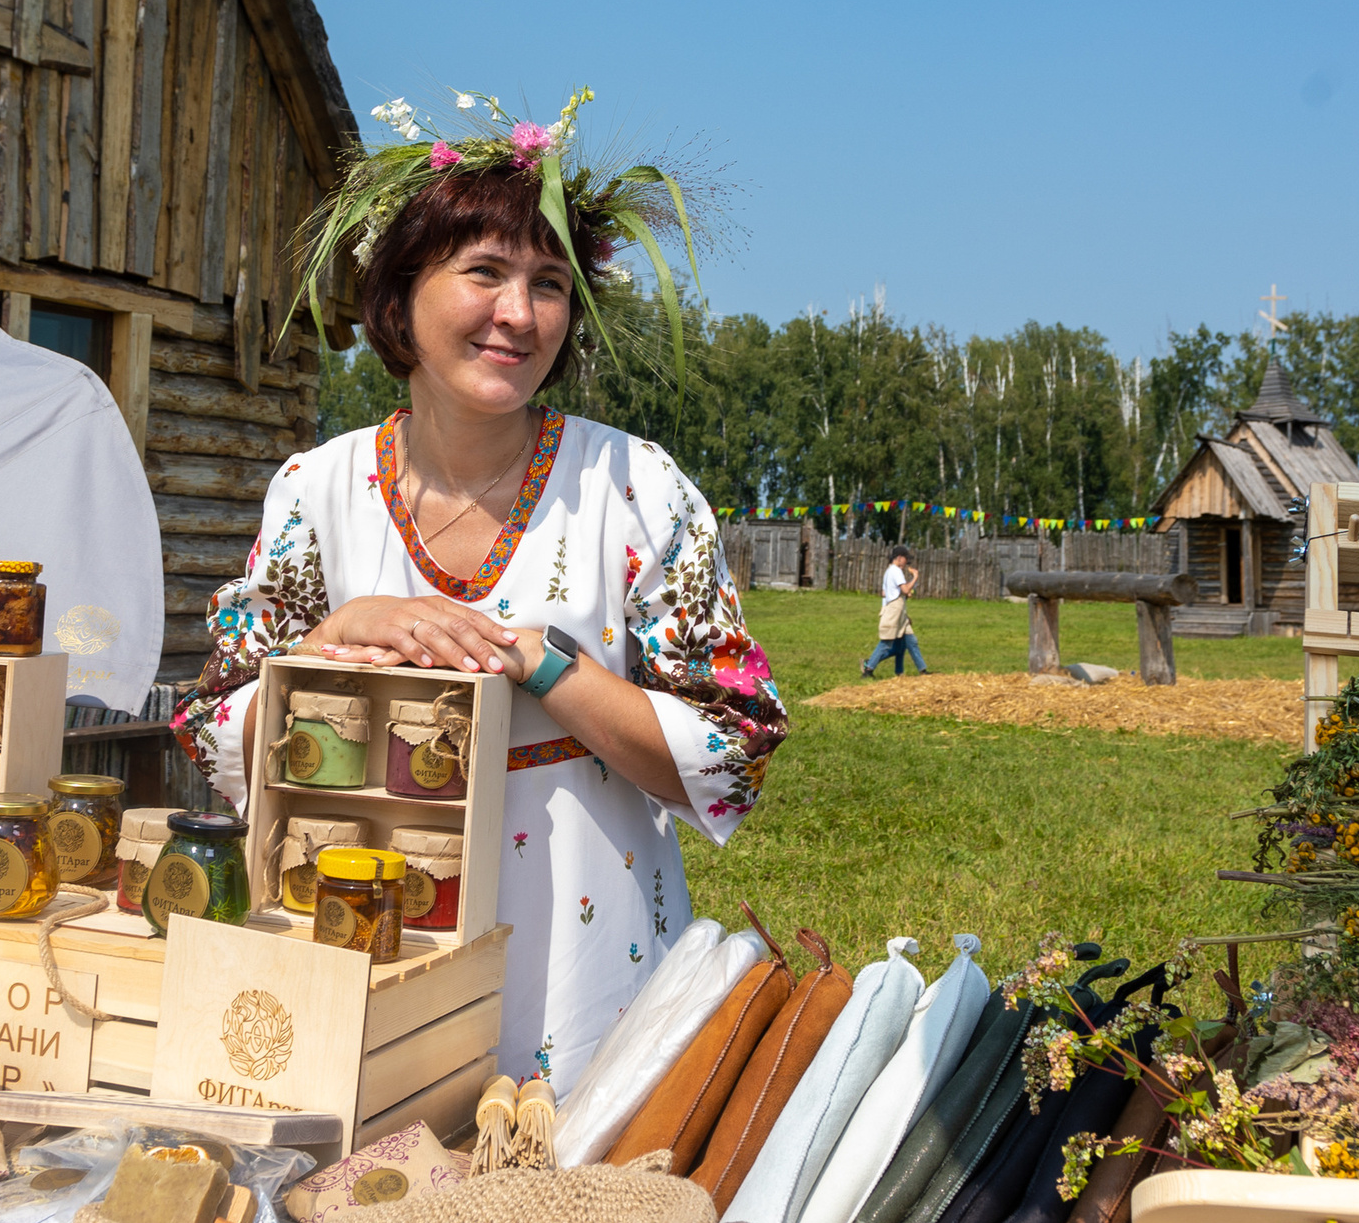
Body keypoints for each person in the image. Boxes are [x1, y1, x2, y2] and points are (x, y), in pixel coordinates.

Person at [172, 92, 787, 1090]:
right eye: (485, 272)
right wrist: (334, 638)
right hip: (361, 950)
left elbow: (734, 750)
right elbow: (214, 725)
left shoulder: (633, 489)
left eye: (549, 284)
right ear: (398, 294)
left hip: (585, 966)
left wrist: (547, 665)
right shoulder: (316, 490)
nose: (518, 314)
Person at [862, 546, 929, 676]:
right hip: (894, 609)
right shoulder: (896, 571)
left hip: (898, 609)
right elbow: (905, 590)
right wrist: (915, 577)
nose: (906, 562)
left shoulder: (889, 571)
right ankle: (868, 669)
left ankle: (921, 670)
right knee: (886, 642)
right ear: (899, 558)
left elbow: (886, 592)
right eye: (905, 559)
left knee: (910, 641)